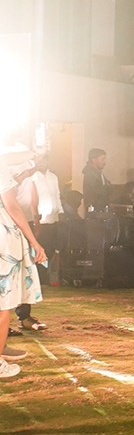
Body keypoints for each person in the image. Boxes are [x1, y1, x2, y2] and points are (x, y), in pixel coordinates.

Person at [0, 147, 47, 379]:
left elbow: (7, 157)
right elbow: (13, 207)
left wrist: (31, 154)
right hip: (3, 239)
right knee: (4, 302)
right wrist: (35, 242)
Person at [14, 154, 61, 332]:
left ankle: (24, 316)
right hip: (7, 227)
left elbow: (34, 205)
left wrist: (34, 233)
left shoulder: (31, 180)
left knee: (25, 270)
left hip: (24, 226)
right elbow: (12, 207)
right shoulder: (6, 179)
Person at [81, 148, 109, 214]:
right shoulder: (90, 175)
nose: (105, 162)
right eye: (102, 159)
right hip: (95, 212)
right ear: (94, 160)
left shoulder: (98, 173)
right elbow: (99, 193)